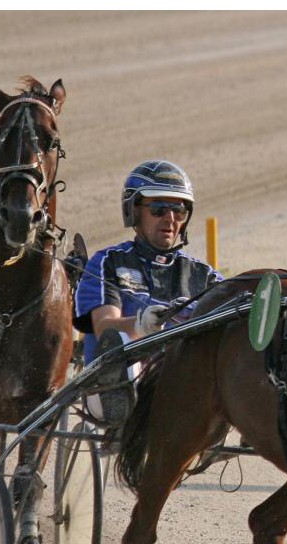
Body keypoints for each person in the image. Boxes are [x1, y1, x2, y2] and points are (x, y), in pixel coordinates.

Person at [73, 160, 223, 424]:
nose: (170, 218)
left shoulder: (203, 275)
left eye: (179, 209)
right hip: (115, 385)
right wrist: (141, 325)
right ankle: (130, 418)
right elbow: (104, 327)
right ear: (134, 211)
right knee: (120, 340)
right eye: (158, 208)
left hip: (185, 388)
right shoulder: (109, 262)